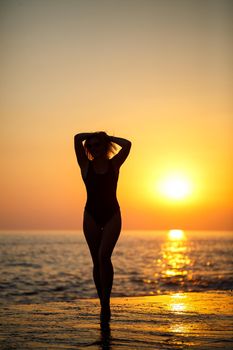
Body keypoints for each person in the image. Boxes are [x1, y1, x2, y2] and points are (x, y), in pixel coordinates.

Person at [74, 131, 131, 322]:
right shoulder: (85, 165)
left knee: (104, 256)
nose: (93, 148)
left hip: (112, 215)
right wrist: (92, 135)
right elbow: (76, 138)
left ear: (104, 145)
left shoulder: (114, 164)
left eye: (98, 144)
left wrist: (107, 137)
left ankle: (106, 303)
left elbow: (128, 144)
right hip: (90, 215)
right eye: (90, 146)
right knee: (96, 261)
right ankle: (103, 303)